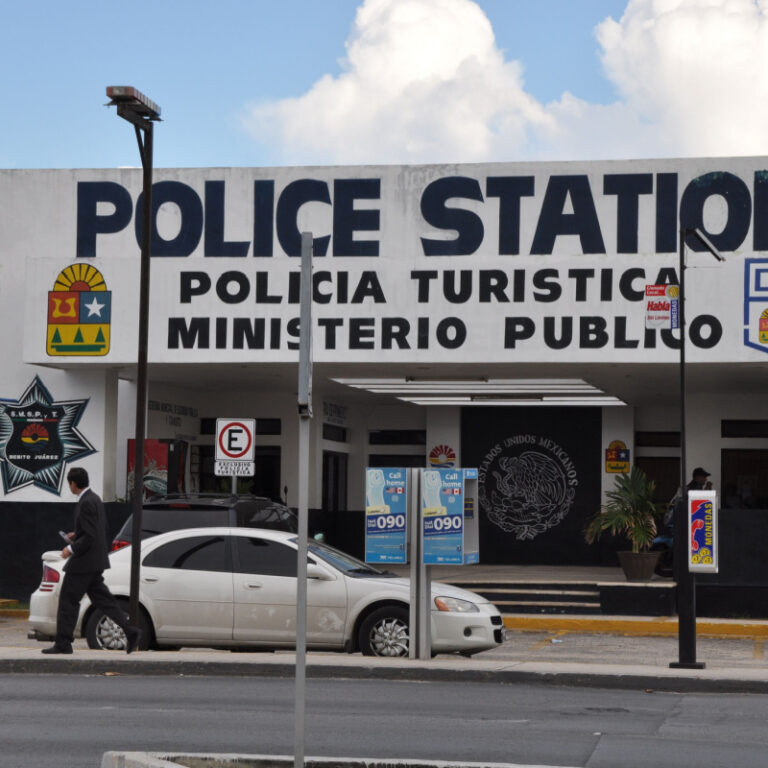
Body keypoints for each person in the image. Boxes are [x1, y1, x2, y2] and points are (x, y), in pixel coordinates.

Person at [42, 467, 142, 655]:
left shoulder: (86, 502)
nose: (69, 487)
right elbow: (95, 529)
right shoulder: (95, 499)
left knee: (68, 600)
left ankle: (63, 643)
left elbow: (90, 536)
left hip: (84, 563)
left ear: (73, 484)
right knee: (104, 601)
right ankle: (131, 631)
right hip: (95, 561)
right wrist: (76, 535)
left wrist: (70, 548)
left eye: (69, 484)